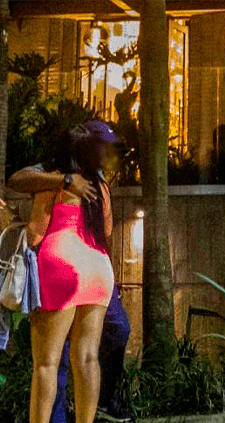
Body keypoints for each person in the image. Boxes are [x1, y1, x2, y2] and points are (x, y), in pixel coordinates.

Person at [8, 121, 121, 423]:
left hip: (62, 265)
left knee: (46, 364)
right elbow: (108, 229)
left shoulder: (54, 183)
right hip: (98, 269)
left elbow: (36, 233)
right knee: (88, 358)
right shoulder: (101, 187)